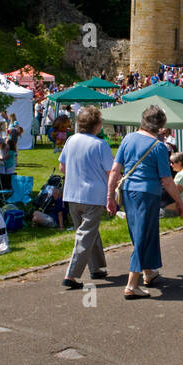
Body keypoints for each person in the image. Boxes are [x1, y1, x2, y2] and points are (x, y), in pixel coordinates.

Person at [107, 105, 183, 298]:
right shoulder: (158, 146)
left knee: (139, 233)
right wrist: (179, 202)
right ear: (160, 125)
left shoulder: (128, 139)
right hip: (147, 194)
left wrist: (109, 196)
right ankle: (132, 284)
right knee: (143, 235)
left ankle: (148, 271)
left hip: (128, 191)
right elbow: (167, 180)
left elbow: (116, 170)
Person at [59, 106, 114, 289]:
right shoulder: (101, 145)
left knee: (89, 232)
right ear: (97, 125)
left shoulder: (71, 140)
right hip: (93, 194)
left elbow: (62, 167)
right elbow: (110, 171)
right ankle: (72, 274)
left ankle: (97, 267)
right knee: (86, 234)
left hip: (72, 193)